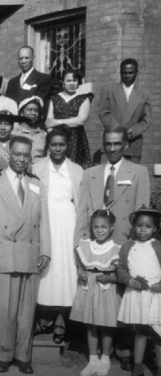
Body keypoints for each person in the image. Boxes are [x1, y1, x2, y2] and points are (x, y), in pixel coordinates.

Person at [74, 125, 150, 371]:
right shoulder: (91, 173)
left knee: (124, 298)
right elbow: (83, 212)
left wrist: (136, 250)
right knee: (98, 303)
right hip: (95, 247)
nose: (114, 148)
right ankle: (96, 356)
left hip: (123, 245)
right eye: (109, 143)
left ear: (125, 145)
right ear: (104, 145)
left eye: (118, 143)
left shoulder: (138, 171)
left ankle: (123, 349)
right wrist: (80, 248)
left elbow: (141, 212)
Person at [0, 135, 51, 374]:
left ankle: (23, 357)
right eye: (17, 154)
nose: (21, 159)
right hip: (4, 252)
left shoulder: (36, 183)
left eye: (25, 155)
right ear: (8, 154)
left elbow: (44, 221)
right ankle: (4, 355)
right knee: (6, 311)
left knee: (26, 311)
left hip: (31, 251)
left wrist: (46, 251)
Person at [33, 127, 83, 344]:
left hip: (67, 222)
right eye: (54, 144)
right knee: (45, 272)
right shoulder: (37, 167)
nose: (58, 148)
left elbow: (80, 202)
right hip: (44, 220)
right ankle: (44, 318)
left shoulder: (77, 170)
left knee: (65, 270)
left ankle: (62, 321)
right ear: (48, 146)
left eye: (61, 144)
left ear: (67, 146)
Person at [70, 210, 121, 376]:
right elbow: (80, 267)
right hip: (89, 289)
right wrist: (81, 274)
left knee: (106, 324)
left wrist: (110, 278)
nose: (99, 230)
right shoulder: (85, 246)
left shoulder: (116, 249)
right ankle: (93, 359)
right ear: (91, 228)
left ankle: (105, 359)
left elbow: (119, 273)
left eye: (104, 227)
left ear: (111, 228)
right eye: (96, 227)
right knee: (90, 325)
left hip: (105, 290)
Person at [117, 207, 161, 376]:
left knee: (158, 333)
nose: (143, 230)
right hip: (137, 296)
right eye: (139, 225)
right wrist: (128, 280)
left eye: (148, 226)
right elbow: (121, 267)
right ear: (133, 227)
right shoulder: (128, 247)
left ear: (155, 228)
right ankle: (137, 367)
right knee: (140, 331)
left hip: (155, 296)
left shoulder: (158, 247)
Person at [98, 58, 151, 164]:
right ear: (120, 72)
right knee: (107, 177)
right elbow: (103, 113)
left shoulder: (144, 94)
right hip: (111, 141)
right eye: (124, 73)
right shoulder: (108, 90)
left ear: (137, 73)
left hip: (132, 143)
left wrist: (132, 133)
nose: (127, 76)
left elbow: (146, 119)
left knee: (130, 178)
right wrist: (118, 131)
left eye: (131, 73)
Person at [46, 70, 93, 168]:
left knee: (75, 169)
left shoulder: (83, 98)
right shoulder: (54, 98)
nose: (72, 83)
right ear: (63, 82)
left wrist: (57, 122)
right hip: (57, 137)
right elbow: (49, 121)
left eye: (74, 80)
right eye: (68, 80)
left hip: (76, 140)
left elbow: (81, 120)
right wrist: (52, 138)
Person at [12, 96, 47, 163]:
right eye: (29, 110)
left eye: (36, 110)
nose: (33, 113)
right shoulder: (14, 132)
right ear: (21, 113)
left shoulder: (44, 135)